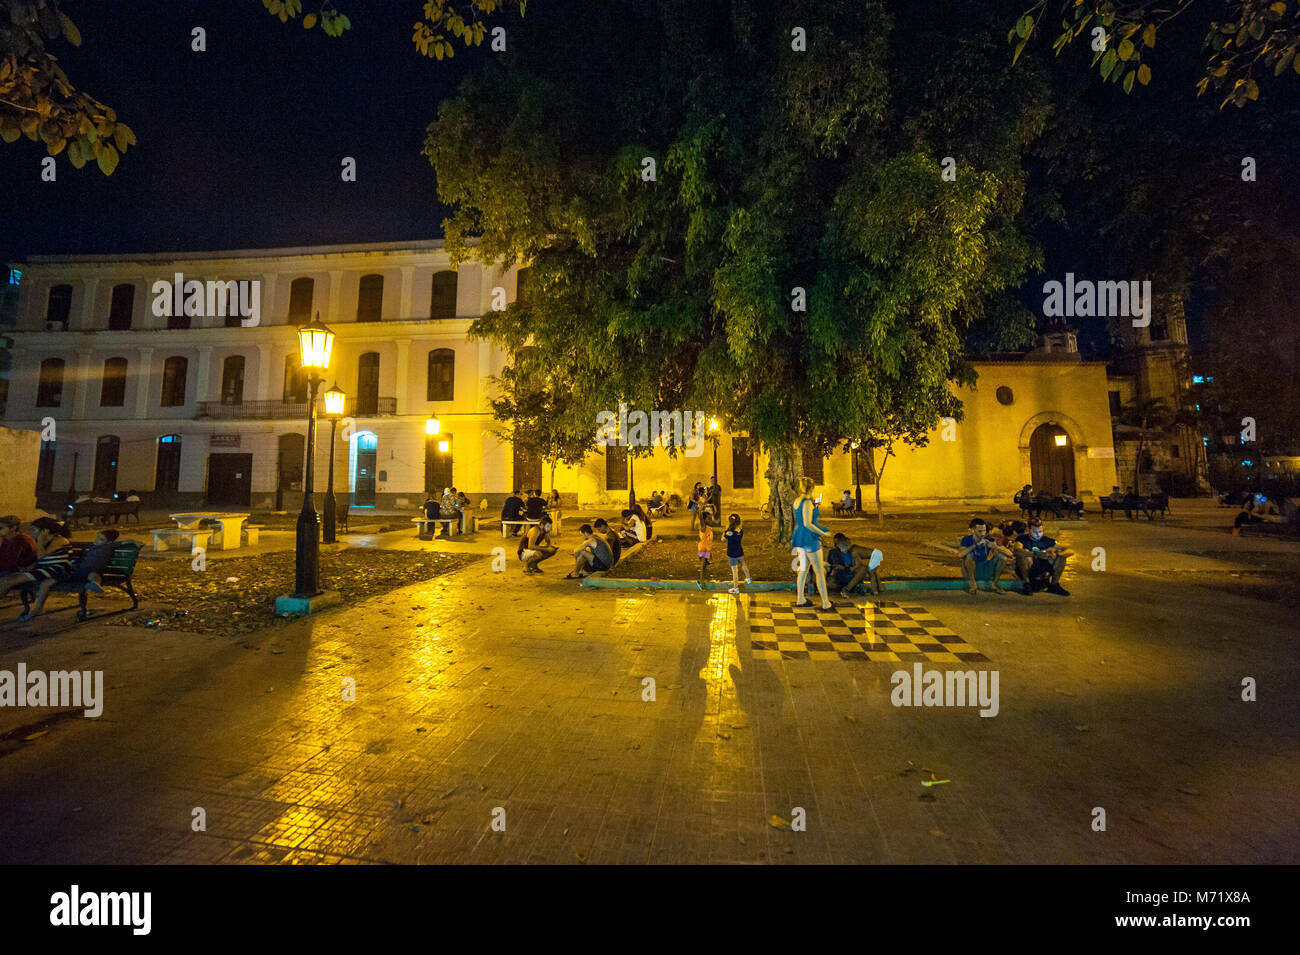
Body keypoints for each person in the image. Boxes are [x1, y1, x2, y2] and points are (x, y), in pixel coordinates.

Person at [0, 528, 117, 619]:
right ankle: (38, 609)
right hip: (74, 571)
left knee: (94, 575)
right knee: (46, 583)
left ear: (108, 542)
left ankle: (94, 584)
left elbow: (119, 543)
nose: (97, 540)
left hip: (90, 570)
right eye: (97, 537)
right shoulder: (91, 547)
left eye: (101, 539)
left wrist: (132, 541)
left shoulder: (107, 547)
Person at [792, 476, 834, 609]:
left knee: (803, 569)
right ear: (812, 488)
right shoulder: (806, 503)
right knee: (819, 571)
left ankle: (800, 599)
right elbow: (807, 523)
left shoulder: (797, 501)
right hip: (809, 539)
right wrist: (823, 533)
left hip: (799, 537)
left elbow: (801, 520)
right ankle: (826, 603)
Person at [1014, 518, 1073, 596]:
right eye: (1035, 532)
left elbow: (1069, 550)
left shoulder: (1047, 540)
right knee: (1023, 554)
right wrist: (1035, 554)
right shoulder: (1022, 539)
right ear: (1029, 530)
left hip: (1043, 568)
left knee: (1061, 556)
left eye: (1040, 532)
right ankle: (1027, 584)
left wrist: (1058, 554)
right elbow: (1016, 551)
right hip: (1029, 568)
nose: (1038, 534)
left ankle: (1054, 585)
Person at [957, 517, 1012, 596]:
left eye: (984, 530)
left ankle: (995, 583)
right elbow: (960, 554)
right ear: (972, 530)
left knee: (1002, 557)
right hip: (972, 570)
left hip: (986, 568)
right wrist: (975, 545)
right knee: (969, 555)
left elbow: (1009, 553)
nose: (983, 533)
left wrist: (996, 546)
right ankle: (973, 584)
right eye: (980, 531)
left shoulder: (989, 538)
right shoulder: (967, 539)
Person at [827, 533, 883, 598]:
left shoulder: (853, 551)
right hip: (841, 576)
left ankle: (847, 589)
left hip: (850, 576)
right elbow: (834, 566)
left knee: (864, 568)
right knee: (864, 569)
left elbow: (858, 565)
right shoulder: (834, 552)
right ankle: (848, 589)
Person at [723, 513, 752, 595]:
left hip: (732, 553)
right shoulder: (740, 530)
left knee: (735, 571)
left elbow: (723, 539)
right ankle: (748, 578)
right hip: (740, 551)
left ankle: (735, 588)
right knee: (743, 564)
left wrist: (725, 530)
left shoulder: (729, 532)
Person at [697, 516, 713, 590]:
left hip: (707, 549)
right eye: (708, 519)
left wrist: (711, 554)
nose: (710, 520)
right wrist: (700, 511)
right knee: (703, 566)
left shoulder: (709, 529)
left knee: (705, 565)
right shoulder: (703, 527)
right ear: (704, 520)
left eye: (710, 518)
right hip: (702, 549)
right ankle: (701, 582)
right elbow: (701, 519)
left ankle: (703, 580)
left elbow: (709, 541)